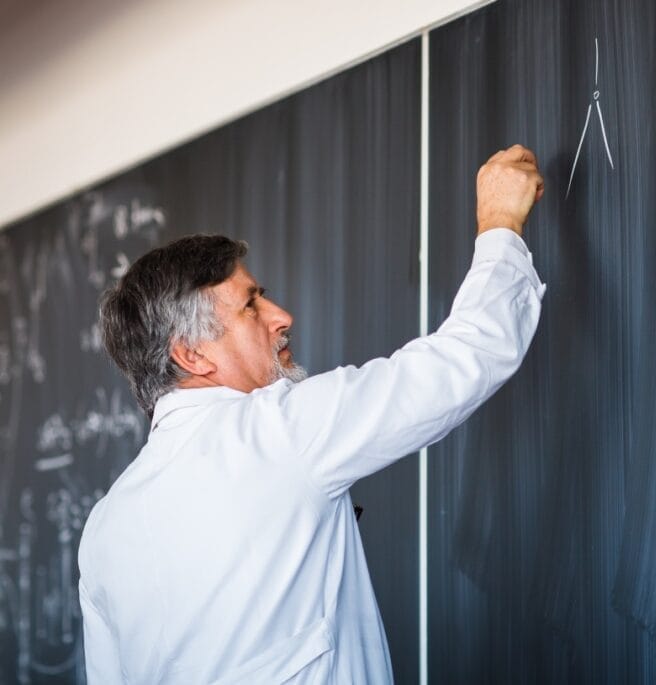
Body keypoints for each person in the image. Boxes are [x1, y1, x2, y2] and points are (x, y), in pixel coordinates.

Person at [77, 145, 546, 683]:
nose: (282, 317)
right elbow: (464, 359)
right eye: (252, 305)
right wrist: (500, 225)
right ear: (191, 354)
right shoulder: (277, 432)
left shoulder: (104, 529)